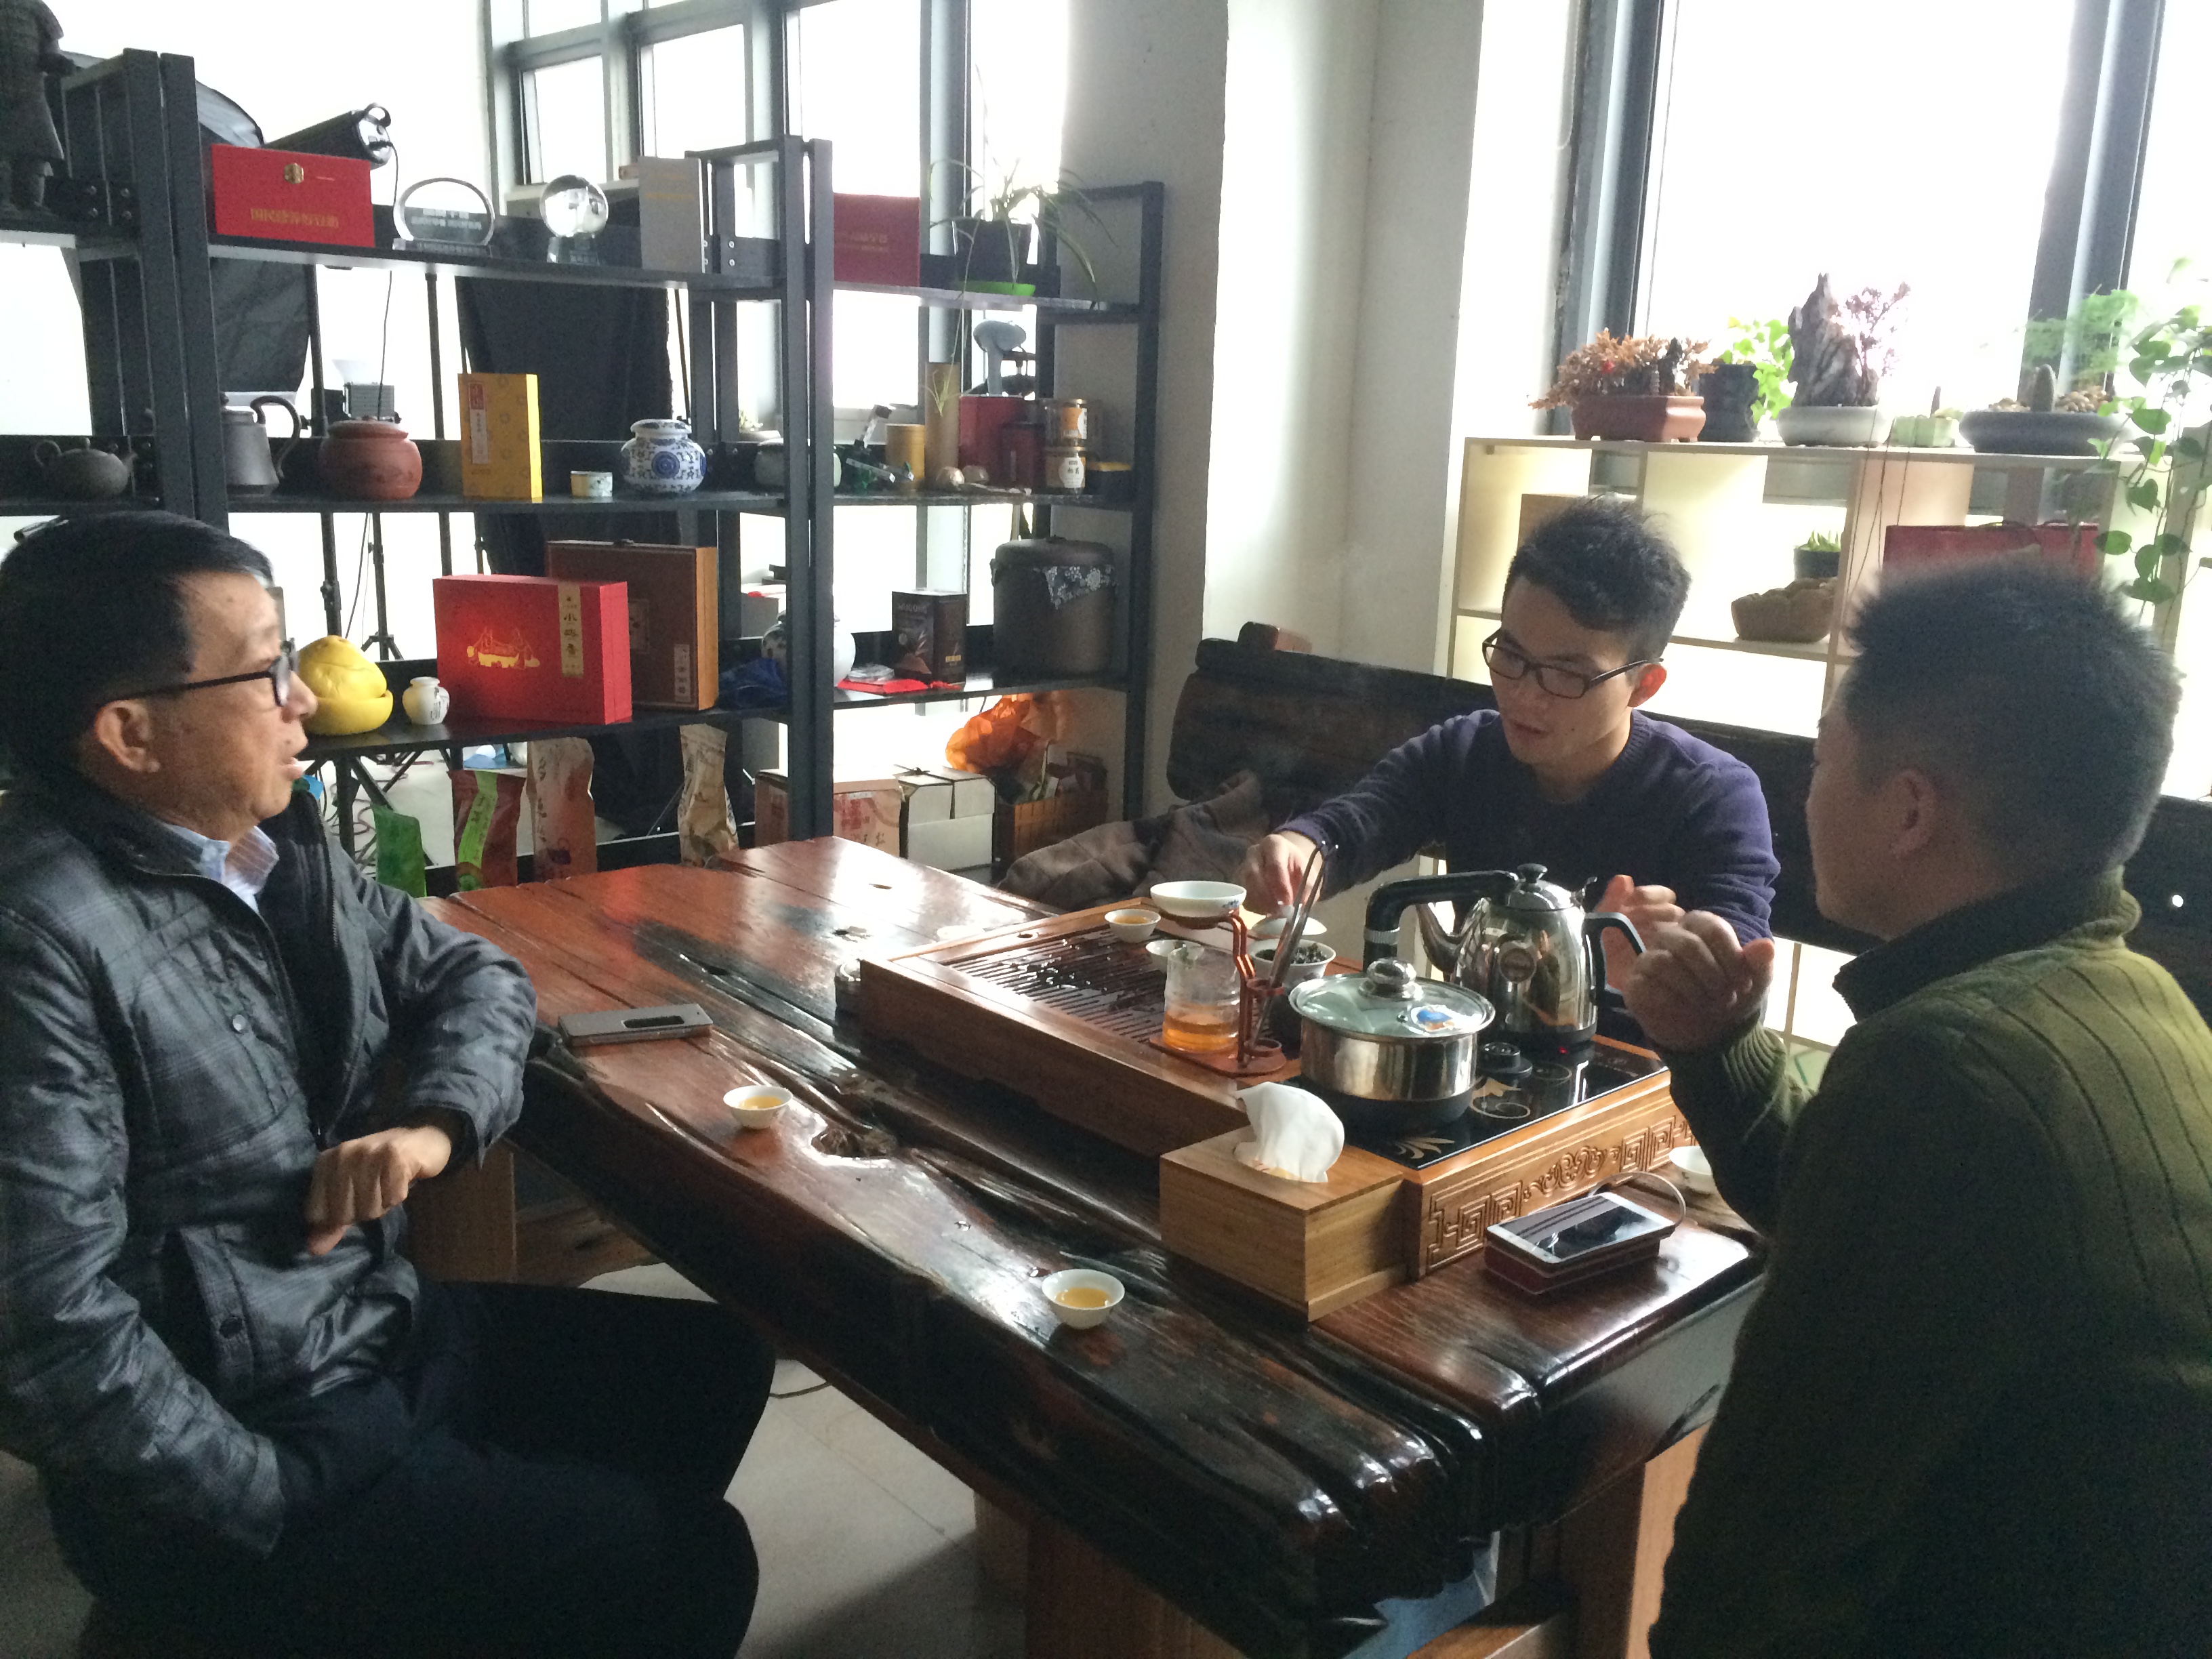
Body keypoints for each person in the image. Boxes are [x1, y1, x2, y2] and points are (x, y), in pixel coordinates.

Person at [0, 513, 775, 1659]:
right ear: (129, 733)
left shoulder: (265, 844)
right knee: (692, 1561)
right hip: (260, 1429)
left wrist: (432, 1126)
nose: (303, 698)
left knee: (713, 1369)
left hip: (372, 1329)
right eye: (265, 669)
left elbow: (472, 971)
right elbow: (42, 1333)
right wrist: (257, 1498)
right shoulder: (39, 940)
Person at [1625, 562, 2212, 1656]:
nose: (1806, 796)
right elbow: (1854, 1227)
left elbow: (1757, 1567)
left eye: (1819, 760)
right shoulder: (2134, 999)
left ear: (1906, 808)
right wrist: (1717, 1047)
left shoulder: (1946, 1072)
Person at [1242, 497, 1778, 960]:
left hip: (1631, 1051)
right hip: (1474, 1035)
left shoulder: (1711, 796)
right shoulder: (1466, 751)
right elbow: (1362, 821)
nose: (1524, 696)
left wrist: (1673, 967)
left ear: (1644, 686)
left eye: (1567, 675)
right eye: (1512, 655)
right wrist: (1300, 847)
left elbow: (1740, 956)